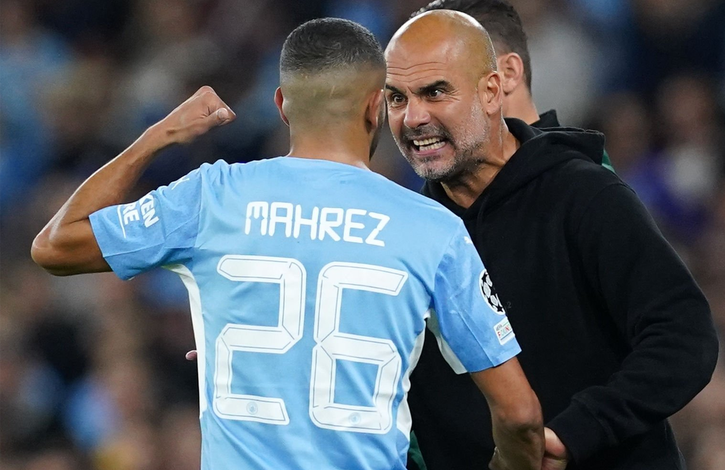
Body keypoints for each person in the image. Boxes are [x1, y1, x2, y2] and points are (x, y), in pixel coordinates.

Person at [30, 18, 544, 470]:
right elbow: (520, 416)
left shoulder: (212, 198)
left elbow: (55, 245)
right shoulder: (432, 228)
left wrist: (158, 134)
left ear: (281, 105)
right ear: (375, 107)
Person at [385, 10, 719, 470]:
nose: (413, 117)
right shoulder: (401, 239)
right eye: (396, 98)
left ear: (491, 91)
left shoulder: (583, 195)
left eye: (435, 92)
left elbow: (684, 337)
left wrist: (574, 434)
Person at [415, 0, 614, 172]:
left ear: (508, 73)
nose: (416, 117)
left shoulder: (586, 181)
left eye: (438, 89)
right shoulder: (446, 186)